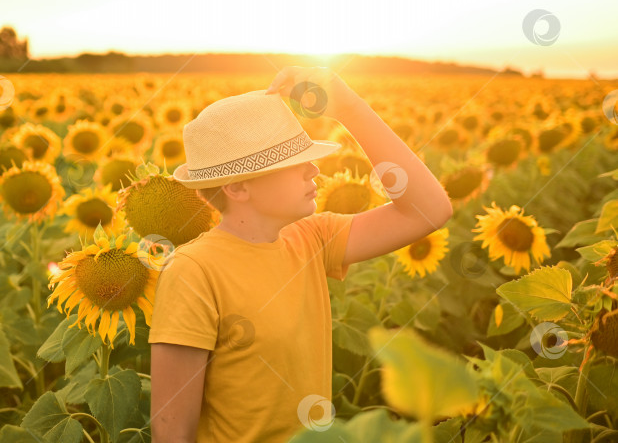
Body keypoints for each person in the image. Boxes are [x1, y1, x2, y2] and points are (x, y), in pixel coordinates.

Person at [148, 66, 453, 442]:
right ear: (239, 187)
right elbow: (171, 431)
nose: (313, 169)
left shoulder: (312, 238)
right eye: (293, 163)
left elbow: (428, 210)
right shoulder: (193, 271)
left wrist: (350, 108)